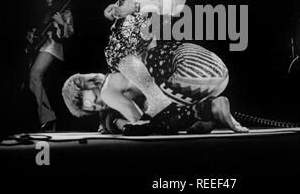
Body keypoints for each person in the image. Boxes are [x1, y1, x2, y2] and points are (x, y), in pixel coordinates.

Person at [62, 42, 248, 135]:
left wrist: (115, 125)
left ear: (93, 83)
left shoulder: (108, 90)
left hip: (193, 70)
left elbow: (139, 123)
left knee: (160, 124)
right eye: (94, 108)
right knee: (162, 107)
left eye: (95, 99)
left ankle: (211, 109)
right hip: (219, 73)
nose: (100, 104)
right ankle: (208, 114)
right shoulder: (121, 76)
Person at [26, 0, 74, 131]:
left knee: (35, 75)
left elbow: (70, 34)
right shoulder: (47, 11)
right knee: (33, 81)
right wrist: (31, 35)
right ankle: (47, 118)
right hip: (42, 45)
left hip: (53, 46)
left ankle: (41, 118)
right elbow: (39, 30)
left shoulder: (66, 12)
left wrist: (62, 23)